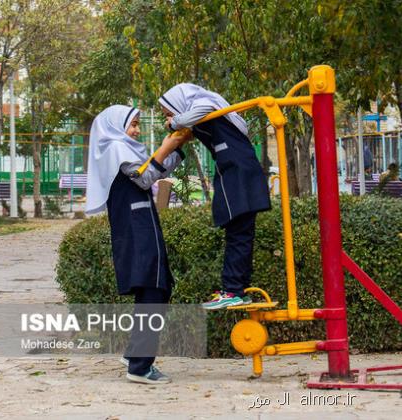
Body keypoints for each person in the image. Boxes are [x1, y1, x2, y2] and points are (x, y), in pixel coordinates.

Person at [85, 105, 190, 384]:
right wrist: (167, 148)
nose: (136, 130)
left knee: (158, 286)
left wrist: (176, 147)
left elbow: (151, 172)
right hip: (137, 226)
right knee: (155, 287)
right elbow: (145, 179)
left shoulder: (123, 149)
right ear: (116, 126)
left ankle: (135, 355)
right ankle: (140, 366)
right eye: (132, 124)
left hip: (141, 222)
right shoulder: (116, 150)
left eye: (137, 124)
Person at [158, 83, 271, 310]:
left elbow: (203, 109)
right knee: (239, 233)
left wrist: (176, 122)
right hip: (238, 171)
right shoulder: (210, 114)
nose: (169, 118)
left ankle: (232, 290)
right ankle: (236, 288)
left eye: (169, 112)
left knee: (237, 234)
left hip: (236, 173)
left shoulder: (204, 106)